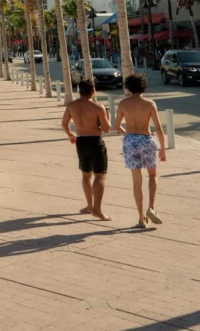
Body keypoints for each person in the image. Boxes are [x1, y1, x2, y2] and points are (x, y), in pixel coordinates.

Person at [115, 73, 166, 229]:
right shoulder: (149, 104)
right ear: (144, 86)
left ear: (128, 87)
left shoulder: (123, 103)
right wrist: (163, 148)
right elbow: (158, 128)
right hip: (146, 139)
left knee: (137, 181)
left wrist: (128, 134)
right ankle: (151, 208)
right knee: (152, 175)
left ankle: (141, 219)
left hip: (130, 140)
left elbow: (116, 126)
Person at [61, 79, 111, 221]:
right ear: (93, 91)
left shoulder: (71, 106)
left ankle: (89, 205)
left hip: (81, 140)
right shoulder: (98, 107)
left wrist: (71, 135)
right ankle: (97, 209)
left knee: (86, 175)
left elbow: (64, 123)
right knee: (100, 175)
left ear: (79, 91)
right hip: (95, 141)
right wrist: (107, 117)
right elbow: (106, 129)